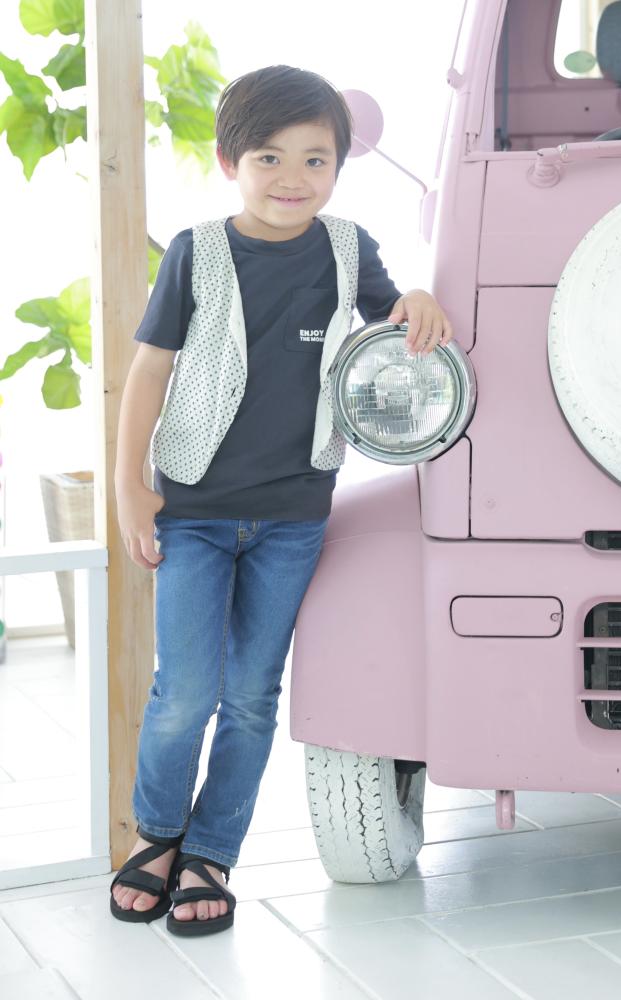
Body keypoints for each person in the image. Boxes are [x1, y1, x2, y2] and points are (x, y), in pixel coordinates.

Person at [110, 64, 453, 937]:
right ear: (231, 161)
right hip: (193, 509)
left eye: (315, 159)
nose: (292, 178)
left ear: (339, 165)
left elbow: (391, 317)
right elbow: (149, 371)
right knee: (186, 692)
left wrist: (416, 297)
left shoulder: (347, 247)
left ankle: (212, 852)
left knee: (253, 696)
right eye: (269, 157)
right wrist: (129, 485)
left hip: (295, 516)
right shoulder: (197, 251)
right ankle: (157, 835)